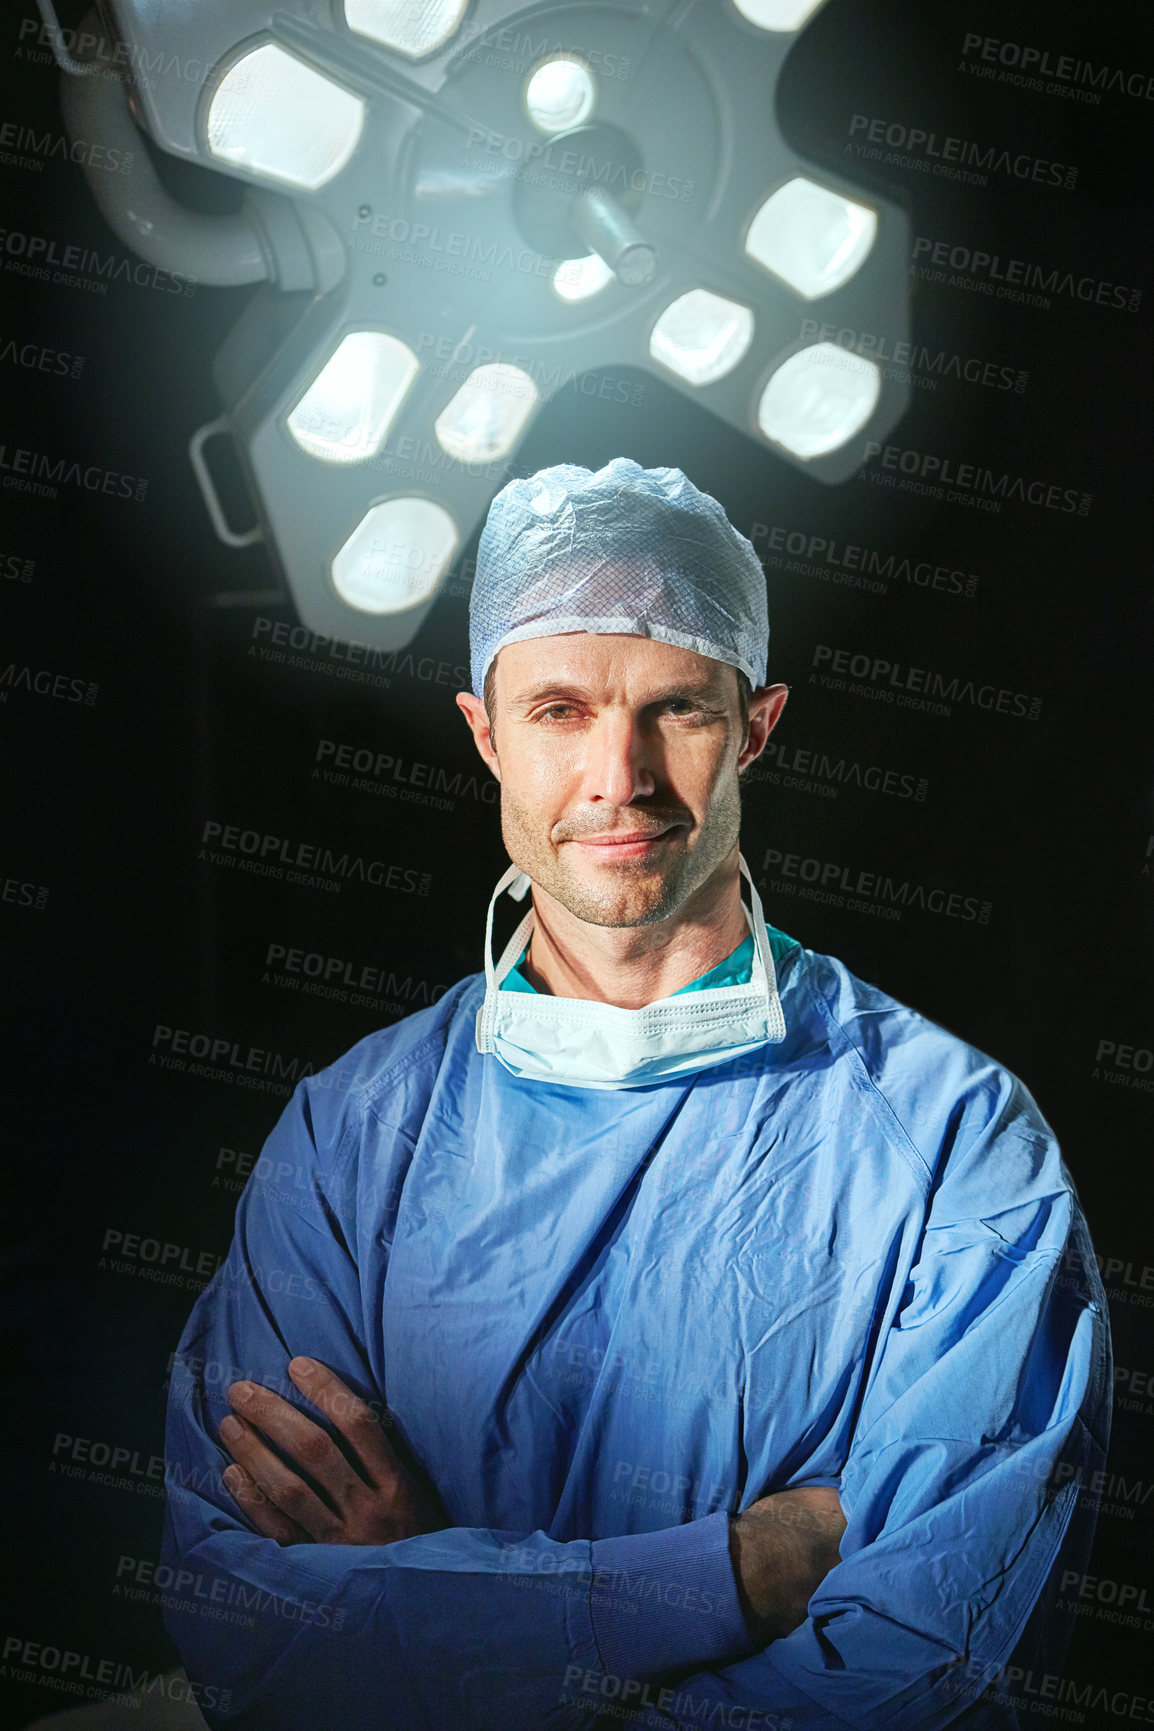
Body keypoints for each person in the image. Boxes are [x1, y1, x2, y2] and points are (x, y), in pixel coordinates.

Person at [160, 459, 1110, 1731]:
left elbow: (912, 1664)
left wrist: (437, 1594)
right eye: (558, 710)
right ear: (484, 732)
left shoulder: (950, 1142)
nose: (621, 775)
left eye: (676, 708)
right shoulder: (353, 1138)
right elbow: (248, 1633)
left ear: (757, 727)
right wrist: (736, 1572)